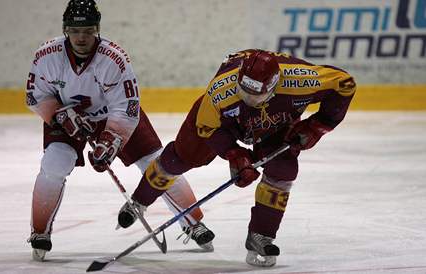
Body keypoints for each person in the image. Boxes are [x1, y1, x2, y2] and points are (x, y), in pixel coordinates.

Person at [117, 49, 356, 266]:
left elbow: (345, 84)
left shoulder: (301, 80)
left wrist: (318, 126)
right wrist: (235, 154)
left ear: (274, 84)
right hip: (223, 123)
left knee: (282, 168)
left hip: (275, 121)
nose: (248, 99)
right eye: (244, 91)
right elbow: (206, 127)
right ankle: (140, 200)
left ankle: (261, 235)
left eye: (256, 95)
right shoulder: (221, 91)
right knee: (180, 158)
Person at [25, 0, 214, 261]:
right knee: (54, 162)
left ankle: (193, 221)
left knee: (156, 162)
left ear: (97, 29)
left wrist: (110, 141)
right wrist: (59, 114)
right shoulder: (47, 55)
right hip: (65, 115)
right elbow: (35, 96)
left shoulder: (113, 58)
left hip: (113, 115)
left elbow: (125, 106)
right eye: (75, 31)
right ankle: (39, 232)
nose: (81, 37)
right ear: (65, 29)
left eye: (88, 31)